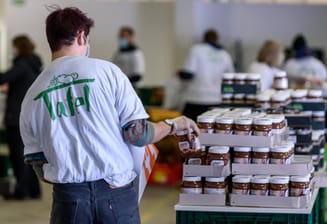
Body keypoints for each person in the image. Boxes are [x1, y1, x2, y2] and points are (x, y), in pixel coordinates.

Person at [20, 7, 199, 224]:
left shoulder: (32, 94)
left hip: (68, 200)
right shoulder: (106, 72)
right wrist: (173, 124)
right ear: (81, 36)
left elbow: (38, 164)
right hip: (115, 194)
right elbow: (138, 135)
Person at [0, 35, 42, 199]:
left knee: (18, 156)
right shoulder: (34, 65)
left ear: (20, 48)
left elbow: (3, 78)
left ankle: (21, 191)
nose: (13, 50)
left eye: (14, 47)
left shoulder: (22, 65)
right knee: (29, 156)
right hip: (28, 116)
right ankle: (33, 190)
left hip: (16, 118)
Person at [179, 29, 234, 120]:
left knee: (190, 131)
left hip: (196, 99)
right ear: (217, 39)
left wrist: (179, 73)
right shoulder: (225, 54)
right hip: (217, 100)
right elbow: (230, 79)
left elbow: (188, 74)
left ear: (204, 38)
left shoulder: (196, 50)